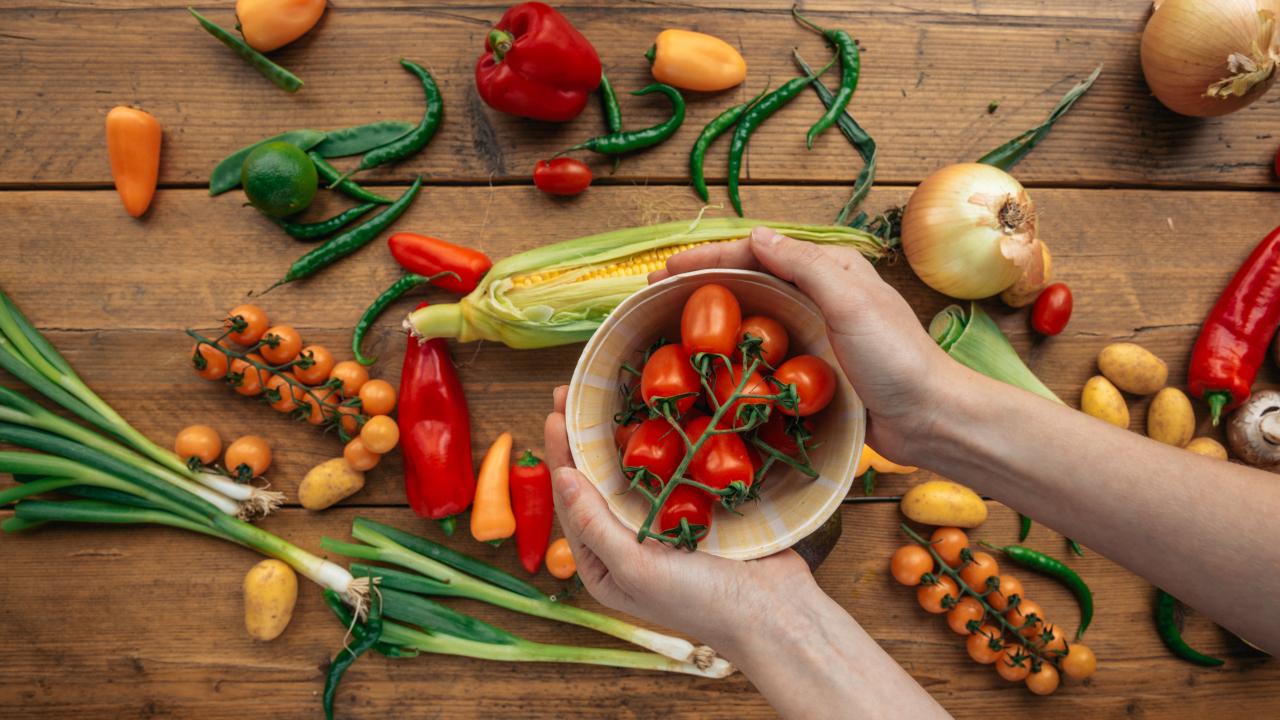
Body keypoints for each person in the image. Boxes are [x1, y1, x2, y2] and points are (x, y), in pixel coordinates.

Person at [543, 226, 1280, 717]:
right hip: (730, 425)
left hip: (723, 428)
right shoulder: (743, 400)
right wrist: (933, 413)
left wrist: (766, 620)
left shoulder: (731, 404)